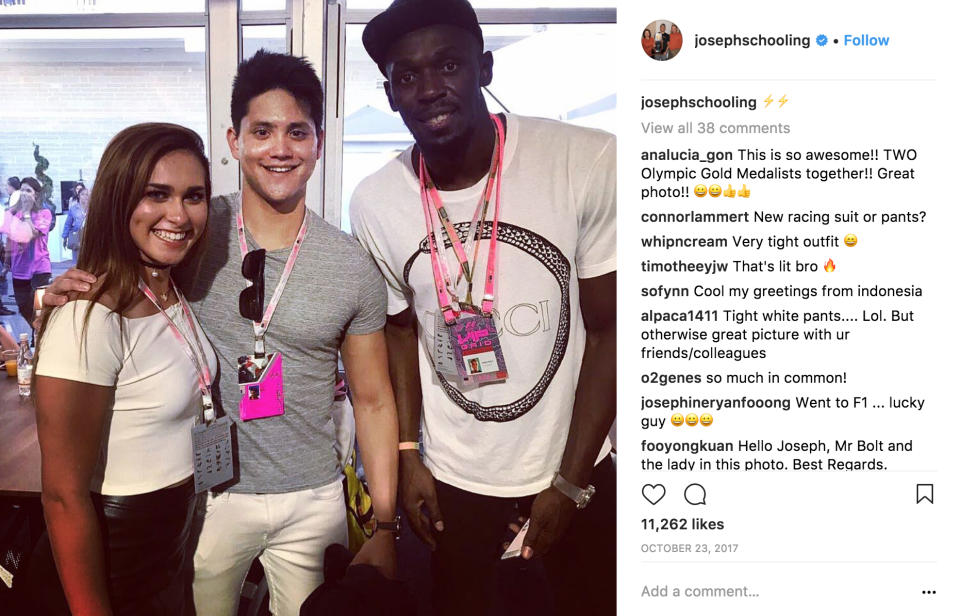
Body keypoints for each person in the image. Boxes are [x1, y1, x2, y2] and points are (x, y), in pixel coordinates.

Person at [46, 50, 400, 616]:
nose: (279, 149)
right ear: (235, 141)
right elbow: (123, 278)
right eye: (262, 131)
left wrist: (385, 522)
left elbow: (375, 399)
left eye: (296, 132)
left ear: (319, 142)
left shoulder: (350, 264)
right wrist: (61, 294)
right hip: (208, 496)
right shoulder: (191, 230)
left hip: (312, 494)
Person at [351, 1, 616, 614]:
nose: (428, 89)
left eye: (448, 65)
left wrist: (572, 482)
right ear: (391, 96)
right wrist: (409, 457)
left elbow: (611, 334)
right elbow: (399, 331)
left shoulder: (583, 161)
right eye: (406, 77)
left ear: (485, 69)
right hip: (453, 479)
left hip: (576, 465)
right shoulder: (376, 201)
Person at [27, 122, 215, 615]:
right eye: (157, 195)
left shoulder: (171, 285)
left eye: (193, 196)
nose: (178, 214)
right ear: (118, 199)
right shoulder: (89, 315)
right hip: (114, 554)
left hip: (169, 543)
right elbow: (62, 497)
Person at [1, 176, 52, 325]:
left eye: (28, 190)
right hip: (19, 270)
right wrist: (6, 266)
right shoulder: (12, 214)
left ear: (35, 194)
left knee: (39, 308)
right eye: (22, 190)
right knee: (23, 307)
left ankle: (38, 337)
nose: (24, 193)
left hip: (40, 270)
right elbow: (10, 240)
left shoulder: (44, 214)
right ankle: (38, 330)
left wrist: (27, 213)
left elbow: (32, 234)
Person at [61, 185, 89, 255]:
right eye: (82, 194)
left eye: (87, 194)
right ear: (78, 195)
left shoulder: (92, 208)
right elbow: (68, 224)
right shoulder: (73, 209)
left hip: (90, 237)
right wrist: (65, 237)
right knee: (77, 262)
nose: (85, 196)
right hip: (77, 237)